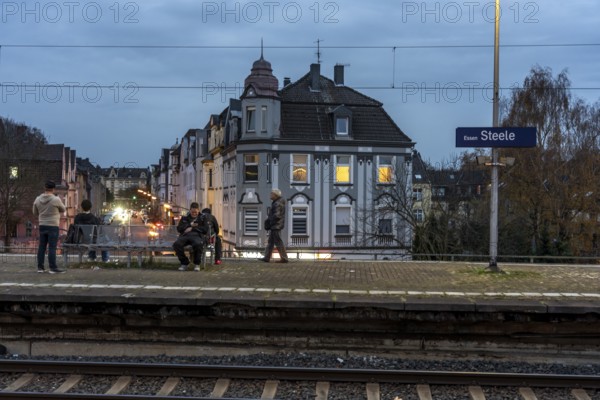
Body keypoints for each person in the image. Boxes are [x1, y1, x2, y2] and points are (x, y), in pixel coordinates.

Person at [32, 180, 66, 273]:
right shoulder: (56, 199)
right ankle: (53, 268)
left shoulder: (37, 199)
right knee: (52, 247)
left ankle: (40, 267)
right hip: (53, 225)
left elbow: (34, 212)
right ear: (53, 189)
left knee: (41, 247)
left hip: (42, 225)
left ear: (45, 188)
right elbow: (63, 209)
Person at [173, 202, 208, 271]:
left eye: (195, 212)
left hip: (197, 235)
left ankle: (197, 264)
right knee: (176, 244)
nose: (194, 214)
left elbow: (205, 229)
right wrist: (189, 225)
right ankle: (184, 263)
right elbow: (179, 228)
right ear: (190, 210)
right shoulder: (184, 218)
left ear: (198, 210)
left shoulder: (202, 218)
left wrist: (192, 228)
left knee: (198, 244)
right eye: (192, 212)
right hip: (185, 236)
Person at [258, 188, 289, 263]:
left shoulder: (277, 203)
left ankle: (284, 258)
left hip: (276, 225)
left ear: (275, 195)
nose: (270, 195)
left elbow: (276, 215)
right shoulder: (277, 202)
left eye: (271, 194)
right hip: (275, 225)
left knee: (278, 242)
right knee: (271, 242)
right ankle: (267, 257)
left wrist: (269, 220)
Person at [74, 199, 109, 263]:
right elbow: (98, 230)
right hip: (92, 240)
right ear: (90, 207)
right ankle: (105, 259)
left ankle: (91, 257)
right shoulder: (94, 218)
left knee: (92, 239)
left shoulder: (77, 217)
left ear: (81, 207)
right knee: (103, 240)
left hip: (80, 240)